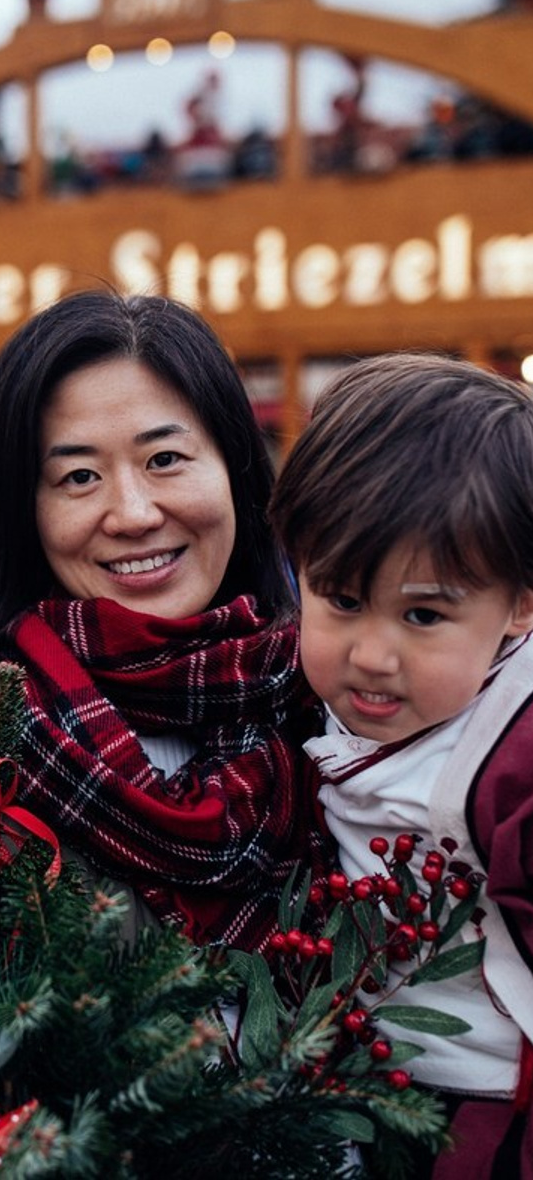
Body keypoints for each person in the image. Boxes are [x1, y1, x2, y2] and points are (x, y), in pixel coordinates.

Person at [0, 289, 327, 952]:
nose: (134, 514)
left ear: (236, 470)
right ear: (23, 512)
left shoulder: (336, 707)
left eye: (165, 460)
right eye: (80, 476)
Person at [270, 353, 533, 1179]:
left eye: (423, 616)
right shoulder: (301, 695)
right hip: (362, 1080)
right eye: (343, 600)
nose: (373, 655)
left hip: (487, 1108)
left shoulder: (512, 757)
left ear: (521, 604)